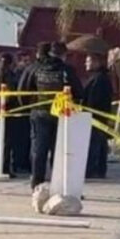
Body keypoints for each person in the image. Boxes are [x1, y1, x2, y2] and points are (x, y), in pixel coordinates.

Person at [20, 41, 82, 190]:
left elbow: (22, 91)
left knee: (38, 149)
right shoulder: (67, 70)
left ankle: (37, 183)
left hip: (39, 113)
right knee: (59, 150)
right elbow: (79, 92)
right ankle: (58, 184)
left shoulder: (34, 68)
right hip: (61, 115)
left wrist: (30, 107)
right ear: (63, 55)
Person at [83, 52, 113, 179]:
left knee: (94, 143)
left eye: (88, 61)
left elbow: (94, 99)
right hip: (99, 117)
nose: (86, 64)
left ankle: (92, 170)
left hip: (96, 116)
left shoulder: (99, 79)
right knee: (100, 143)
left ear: (96, 62)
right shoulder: (100, 78)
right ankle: (99, 170)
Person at [9, 51, 34, 173]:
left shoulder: (30, 73)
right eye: (24, 61)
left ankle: (25, 162)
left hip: (28, 110)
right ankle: (17, 163)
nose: (27, 63)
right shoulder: (15, 74)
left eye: (28, 61)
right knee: (18, 140)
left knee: (28, 140)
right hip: (17, 110)